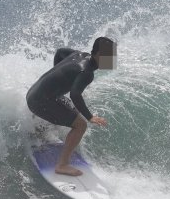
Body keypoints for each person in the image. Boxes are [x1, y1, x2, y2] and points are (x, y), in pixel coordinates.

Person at [26, 37, 116, 176]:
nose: (112, 59)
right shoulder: (87, 72)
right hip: (40, 101)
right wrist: (90, 117)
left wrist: (58, 75)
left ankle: (38, 131)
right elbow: (75, 95)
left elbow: (60, 52)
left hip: (33, 93)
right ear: (98, 55)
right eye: (109, 55)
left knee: (68, 110)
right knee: (80, 125)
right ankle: (62, 165)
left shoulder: (79, 55)